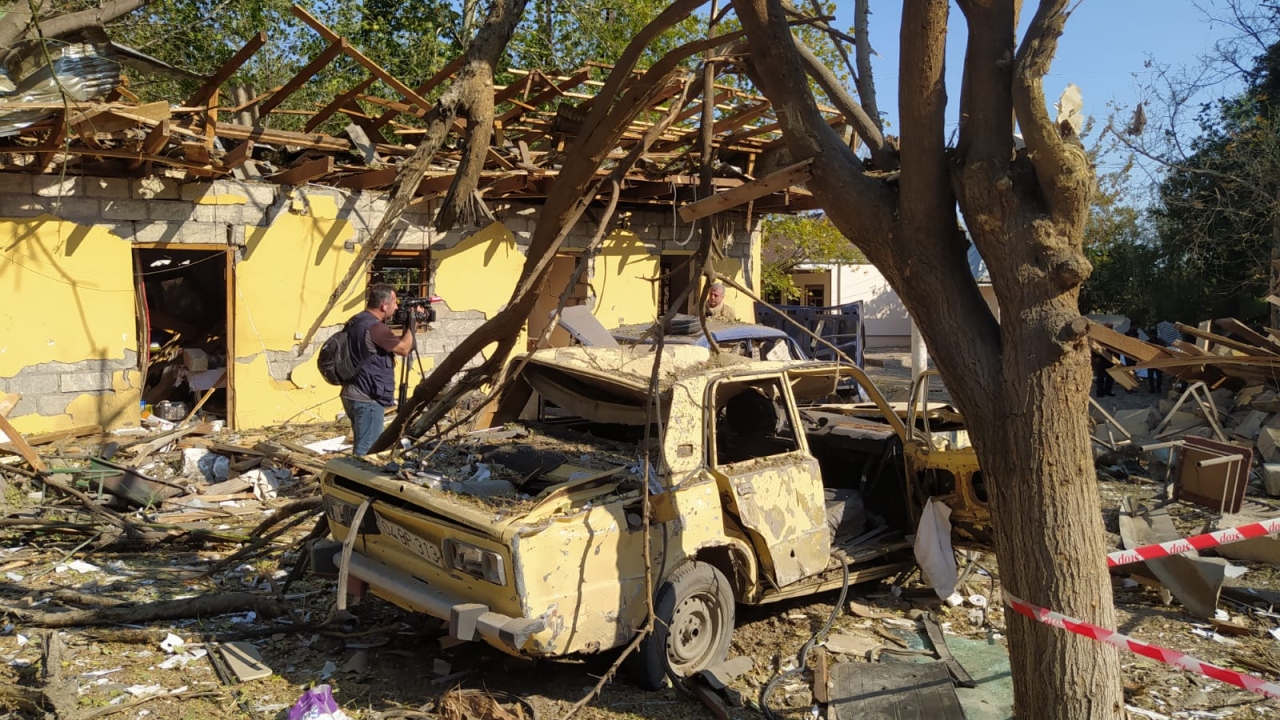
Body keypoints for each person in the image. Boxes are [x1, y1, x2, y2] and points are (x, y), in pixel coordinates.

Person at [340, 284, 417, 455]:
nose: (397, 307)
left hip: (352, 392)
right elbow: (404, 349)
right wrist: (413, 323)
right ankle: (358, 480)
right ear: (384, 305)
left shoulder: (356, 320)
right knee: (367, 450)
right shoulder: (375, 328)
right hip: (368, 397)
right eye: (394, 303)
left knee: (362, 443)